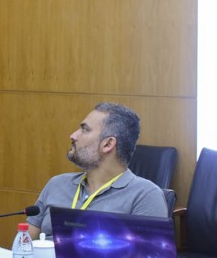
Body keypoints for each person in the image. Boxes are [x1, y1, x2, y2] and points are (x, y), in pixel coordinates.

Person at [27, 102, 168, 238]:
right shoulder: (56, 184)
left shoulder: (145, 195)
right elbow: (23, 245)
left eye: (85, 129)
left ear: (108, 144)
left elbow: (147, 251)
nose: (73, 135)